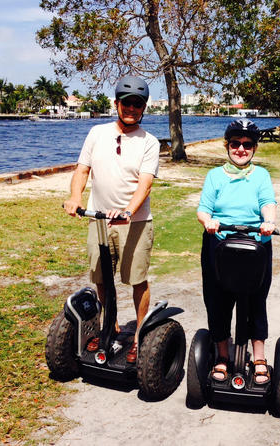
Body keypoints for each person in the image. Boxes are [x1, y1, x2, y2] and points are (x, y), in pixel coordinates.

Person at [63, 75, 160, 364]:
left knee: (136, 279)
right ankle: (109, 326)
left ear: (144, 108)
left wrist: (129, 210)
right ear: (116, 104)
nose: (131, 108)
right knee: (102, 280)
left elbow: (145, 183)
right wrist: (76, 197)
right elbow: (82, 170)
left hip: (136, 223)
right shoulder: (96, 133)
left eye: (137, 104)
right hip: (100, 220)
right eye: (127, 103)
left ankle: (140, 334)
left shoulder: (149, 142)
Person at [197, 119, 277, 384]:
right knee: (217, 300)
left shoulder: (261, 175)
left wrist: (268, 222)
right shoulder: (214, 176)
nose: (240, 149)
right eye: (235, 144)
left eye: (247, 145)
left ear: (254, 148)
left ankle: (259, 358)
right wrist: (208, 221)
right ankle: (222, 356)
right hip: (219, 243)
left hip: (255, 245)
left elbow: (268, 203)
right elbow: (203, 208)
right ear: (227, 146)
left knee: (256, 301)